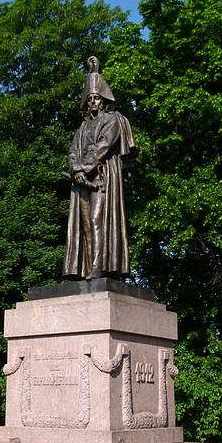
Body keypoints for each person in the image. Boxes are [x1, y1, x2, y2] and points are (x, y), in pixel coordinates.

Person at [63, 57, 136, 280]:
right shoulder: (83, 126)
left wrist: (83, 168)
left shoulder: (113, 120)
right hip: (82, 181)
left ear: (103, 100)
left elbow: (104, 146)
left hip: (102, 179)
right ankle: (86, 267)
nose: (93, 102)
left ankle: (99, 266)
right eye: (90, 99)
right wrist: (76, 169)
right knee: (84, 224)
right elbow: (73, 150)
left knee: (97, 219)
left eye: (97, 98)